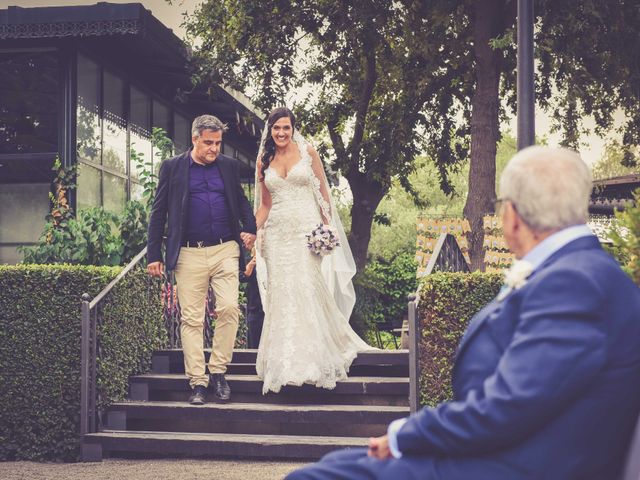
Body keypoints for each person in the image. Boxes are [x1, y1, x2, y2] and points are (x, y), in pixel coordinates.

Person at [287, 146, 640, 479]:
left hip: (514, 465)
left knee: (317, 475)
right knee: (338, 463)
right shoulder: (581, 272)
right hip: (506, 452)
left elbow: (508, 407)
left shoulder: (573, 283)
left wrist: (404, 434)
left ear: (513, 216)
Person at [253, 107, 371, 394]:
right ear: (270, 130)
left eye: (286, 127)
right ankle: (284, 363)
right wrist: (251, 231)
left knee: (306, 287)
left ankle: (314, 360)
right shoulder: (263, 160)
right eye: (276, 128)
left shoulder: (308, 152)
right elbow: (265, 205)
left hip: (307, 232)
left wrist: (326, 229)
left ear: (293, 128)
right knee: (282, 292)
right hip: (277, 235)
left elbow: (324, 196)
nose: (281, 133)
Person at [147, 114, 256, 405]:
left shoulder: (229, 167)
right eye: (208, 143)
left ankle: (218, 371)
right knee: (192, 319)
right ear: (194, 139)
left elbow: (242, 203)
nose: (214, 149)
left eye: (218, 143)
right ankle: (197, 381)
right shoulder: (173, 168)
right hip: (188, 253)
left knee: (230, 308)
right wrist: (154, 253)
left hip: (225, 249)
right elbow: (158, 213)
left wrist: (250, 229)